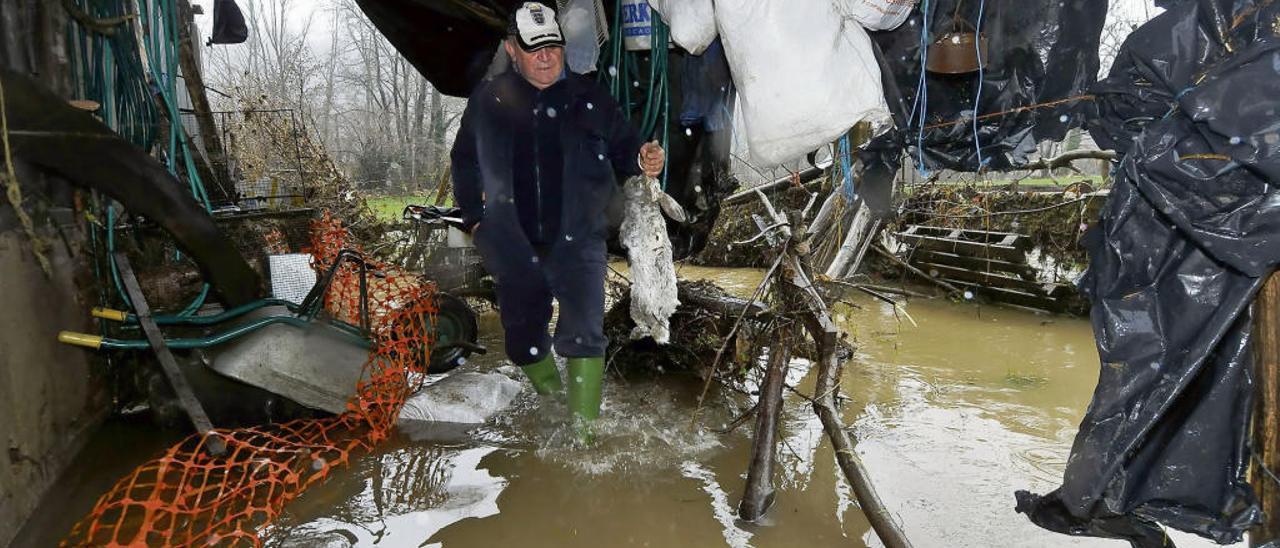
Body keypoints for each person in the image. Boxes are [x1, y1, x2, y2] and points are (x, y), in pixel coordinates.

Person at [450, 1, 665, 433]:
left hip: (581, 238)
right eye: (534, 49)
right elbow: (464, 161)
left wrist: (647, 157)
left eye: (553, 46)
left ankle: (582, 436)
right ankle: (552, 403)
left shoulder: (590, 97)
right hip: (513, 240)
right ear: (513, 50)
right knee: (525, 341)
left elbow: (628, 151)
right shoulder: (490, 99)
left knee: (586, 332)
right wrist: (476, 220)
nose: (546, 56)